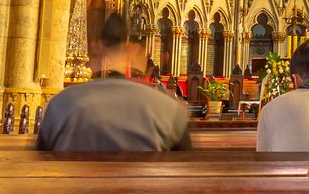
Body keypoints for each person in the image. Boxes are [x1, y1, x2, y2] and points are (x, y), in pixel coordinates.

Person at [37, 11, 194, 153]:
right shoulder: (168, 109)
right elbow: (185, 167)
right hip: (141, 185)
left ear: (97, 47)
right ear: (129, 49)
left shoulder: (61, 104)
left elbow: (40, 161)